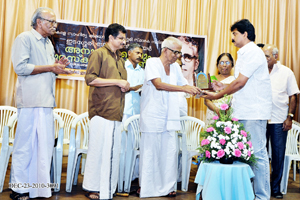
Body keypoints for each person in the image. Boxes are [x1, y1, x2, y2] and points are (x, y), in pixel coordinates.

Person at [202, 19, 272, 199]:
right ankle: (247, 193)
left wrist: (217, 96)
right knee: (246, 155)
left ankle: (262, 196)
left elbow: (241, 83)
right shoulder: (243, 53)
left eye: (234, 34)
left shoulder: (254, 52)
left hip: (253, 112)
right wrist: (219, 87)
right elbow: (238, 80)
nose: (232, 38)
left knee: (258, 155)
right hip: (243, 111)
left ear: (245, 34)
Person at [10, 7, 70, 200]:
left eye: (55, 23)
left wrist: (57, 66)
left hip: (46, 101)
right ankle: (19, 189)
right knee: (25, 146)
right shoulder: (24, 38)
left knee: (43, 147)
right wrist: (50, 67)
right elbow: (20, 67)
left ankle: (39, 188)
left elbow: (47, 70)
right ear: (39, 22)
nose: (54, 26)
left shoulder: (48, 43)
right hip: (29, 100)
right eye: (51, 22)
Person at [139, 36, 201, 198]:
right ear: (165, 50)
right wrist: (184, 89)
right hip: (153, 116)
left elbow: (184, 85)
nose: (178, 56)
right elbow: (158, 85)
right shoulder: (152, 62)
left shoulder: (175, 68)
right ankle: (148, 188)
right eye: (175, 52)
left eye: (179, 53)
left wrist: (199, 90)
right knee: (151, 154)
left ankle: (167, 187)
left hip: (170, 118)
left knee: (169, 154)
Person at [83, 23, 130, 200]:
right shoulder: (99, 54)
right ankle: (94, 187)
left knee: (110, 152)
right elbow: (90, 79)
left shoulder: (120, 59)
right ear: (110, 38)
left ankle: (107, 187)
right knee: (98, 150)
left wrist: (125, 86)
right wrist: (117, 82)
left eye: (125, 38)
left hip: (116, 110)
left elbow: (117, 83)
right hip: (101, 111)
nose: (124, 42)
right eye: (121, 38)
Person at [263, 44, 299, 199]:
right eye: (263, 56)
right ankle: (260, 186)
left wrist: (290, 116)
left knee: (278, 155)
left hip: (279, 121)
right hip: (260, 119)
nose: (264, 59)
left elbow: (294, 96)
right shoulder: (259, 71)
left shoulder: (286, 72)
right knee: (260, 155)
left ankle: (275, 188)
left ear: (275, 57)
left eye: (267, 56)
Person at [118, 43, 144, 193]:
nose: (140, 56)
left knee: (135, 144)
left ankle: (133, 175)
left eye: (141, 53)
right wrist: (132, 88)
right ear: (129, 53)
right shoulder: (122, 67)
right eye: (137, 53)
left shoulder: (143, 70)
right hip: (124, 109)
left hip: (137, 110)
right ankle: (120, 175)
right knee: (122, 143)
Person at [204, 53, 235, 125]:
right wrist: (217, 111)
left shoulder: (235, 81)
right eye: (221, 62)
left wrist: (225, 112)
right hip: (212, 114)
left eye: (227, 62)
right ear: (217, 65)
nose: (224, 65)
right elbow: (206, 100)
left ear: (232, 65)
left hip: (229, 115)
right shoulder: (211, 79)